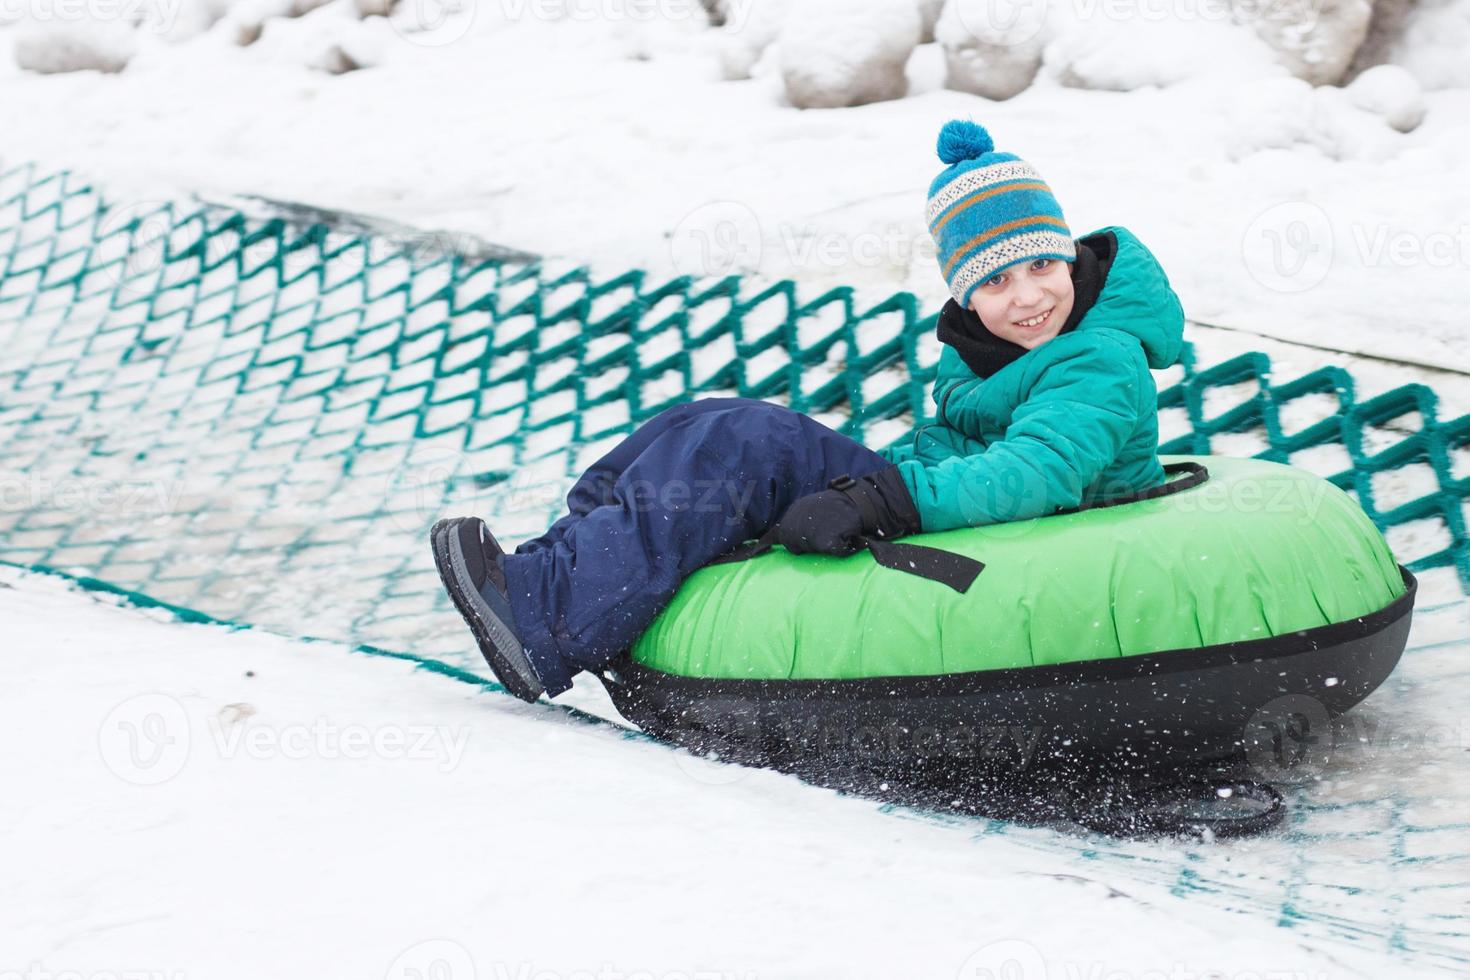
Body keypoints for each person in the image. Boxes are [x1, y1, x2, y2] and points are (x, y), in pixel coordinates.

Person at [430, 119, 1185, 702]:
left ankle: (551, 624)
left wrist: (880, 498)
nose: (1027, 297)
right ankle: (562, 566)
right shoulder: (996, 348)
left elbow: (1036, 474)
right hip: (945, 498)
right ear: (962, 291)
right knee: (702, 419)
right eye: (995, 282)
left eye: (1043, 265)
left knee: (743, 444)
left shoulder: (1097, 358)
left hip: (1040, 529)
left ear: (1070, 256)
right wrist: (885, 485)